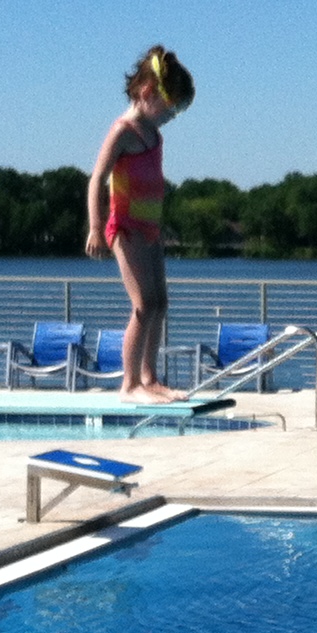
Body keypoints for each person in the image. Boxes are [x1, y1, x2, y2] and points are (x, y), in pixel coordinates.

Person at [84, 45, 193, 400]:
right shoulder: (123, 131)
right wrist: (96, 228)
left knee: (161, 303)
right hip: (125, 228)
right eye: (170, 107)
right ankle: (128, 384)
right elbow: (97, 178)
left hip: (150, 229)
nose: (171, 115)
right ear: (148, 93)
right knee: (143, 305)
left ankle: (149, 378)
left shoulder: (154, 135)